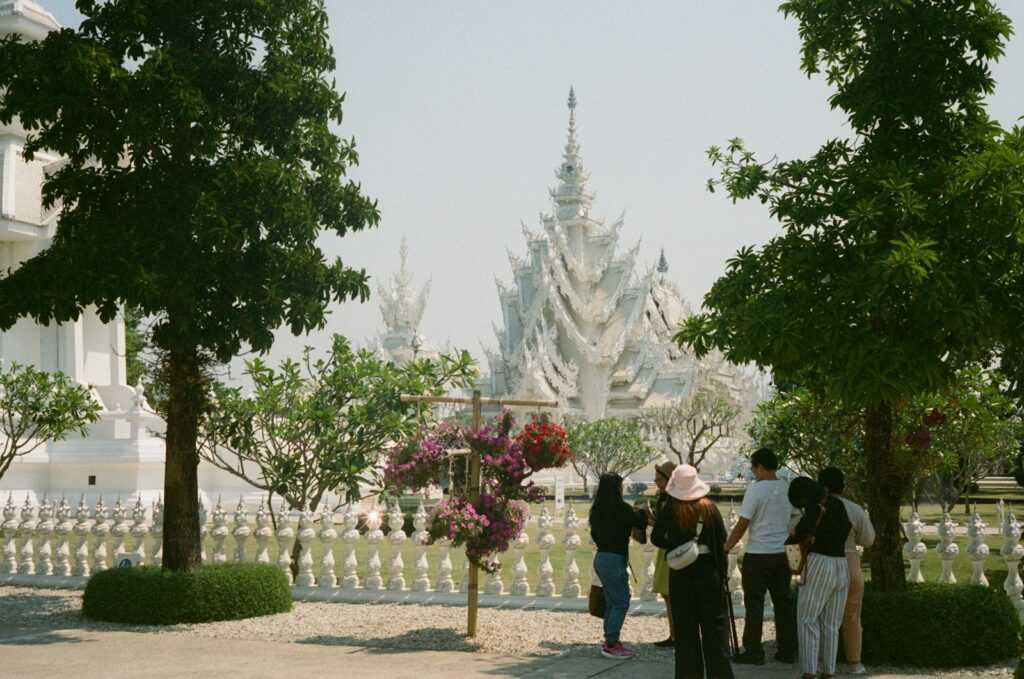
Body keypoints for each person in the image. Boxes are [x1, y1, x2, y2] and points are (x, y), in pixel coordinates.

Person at [651, 464, 735, 679]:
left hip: (682, 573)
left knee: (686, 632)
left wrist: (676, 542)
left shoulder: (671, 508)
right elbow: (721, 541)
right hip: (708, 571)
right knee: (715, 631)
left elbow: (657, 538)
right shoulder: (709, 507)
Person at [723, 448, 798, 665]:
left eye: (754, 468)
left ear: (760, 467)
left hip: (758, 554)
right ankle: (787, 649)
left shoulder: (755, 490)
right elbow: (795, 517)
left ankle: (754, 651)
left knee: (754, 604)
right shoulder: (787, 488)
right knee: (782, 602)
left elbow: (743, 523)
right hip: (781, 554)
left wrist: (727, 546)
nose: (753, 472)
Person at [788, 477, 853, 679]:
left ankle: (809, 671)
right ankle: (828, 671)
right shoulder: (839, 505)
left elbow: (798, 536)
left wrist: (793, 533)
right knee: (831, 623)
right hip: (841, 564)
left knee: (807, 618)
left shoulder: (815, 509)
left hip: (819, 564)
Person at [818, 466, 874, 676]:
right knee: (852, 615)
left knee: (818, 615)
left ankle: (821, 662)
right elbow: (868, 539)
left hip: (821, 560)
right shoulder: (854, 509)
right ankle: (855, 663)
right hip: (849, 560)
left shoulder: (816, 507)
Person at [590, 472, 648, 659]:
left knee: (612, 601)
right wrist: (643, 511)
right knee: (622, 601)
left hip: (601, 557)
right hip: (614, 559)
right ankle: (611, 643)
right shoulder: (621, 508)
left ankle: (610, 638)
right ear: (617, 488)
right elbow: (639, 522)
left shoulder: (597, 509)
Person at [650, 460, 677, 647]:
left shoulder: (675, 501)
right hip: (665, 550)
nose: (657, 483)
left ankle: (678, 634)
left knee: (673, 594)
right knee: (668, 595)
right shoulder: (663, 499)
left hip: (674, 551)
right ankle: (674, 633)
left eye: (660, 479)